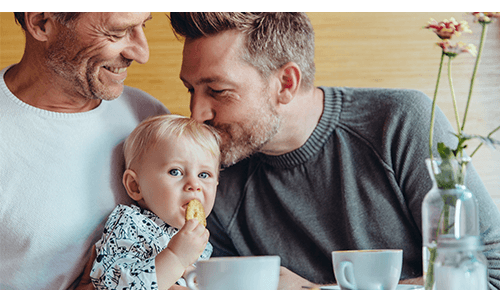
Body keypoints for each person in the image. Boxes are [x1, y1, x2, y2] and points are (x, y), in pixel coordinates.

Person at [169, 12, 500, 289]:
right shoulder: (210, 176)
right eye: (190, 89)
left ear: (286, 83)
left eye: (218, 91)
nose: (197, 113)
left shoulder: (399, 122)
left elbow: (491, 272)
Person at [0, 12, 169, 289]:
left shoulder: (149, 120)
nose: (141, 52)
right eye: (117, 32)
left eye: (143, 26)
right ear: (42, 23)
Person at [90, 114, 220, 290]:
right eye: (176, 172)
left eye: (204, 175)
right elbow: (114, 286)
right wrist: (176, 257)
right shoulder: (129, 225)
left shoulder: (201, 241)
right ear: (135, 186)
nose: (194, 185)